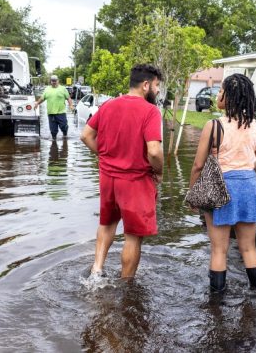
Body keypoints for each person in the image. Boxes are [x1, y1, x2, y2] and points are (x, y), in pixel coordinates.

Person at [80, 64, 164, 279]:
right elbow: (154, 151)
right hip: (136, 181)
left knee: (106, 224)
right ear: (146, 85)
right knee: (133, 236)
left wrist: (106, 156)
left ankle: (96, 271)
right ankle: (127, 286)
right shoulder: (150, 111)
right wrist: (160, 171)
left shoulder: (108, 105)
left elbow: (86, 135)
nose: (158, 91)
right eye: (156, 86)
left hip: (108, 178)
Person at [188, 73, 256, 292]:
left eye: (221, 91)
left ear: (229, 97)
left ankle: (216, 304)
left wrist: (193, 194)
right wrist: (244, 173)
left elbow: (197, 165)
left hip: (220, 188)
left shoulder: (213, 126)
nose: (218, 95)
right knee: (249, 248)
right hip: (248, 187)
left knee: (218, 250)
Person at [34, 75, 74, 139]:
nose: (54, 82)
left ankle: (65, 135)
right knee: (53, 131)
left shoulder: (63, 89)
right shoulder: (47, 89)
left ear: (58, 81)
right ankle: (54, 141)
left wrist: (71, 105)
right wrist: (37, 103)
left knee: (64, 127)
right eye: (52, 81)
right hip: (51, 113)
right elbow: (42, 98)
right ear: (50, 81)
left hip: (61, 113)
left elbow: (68, 98)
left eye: (55, 81)